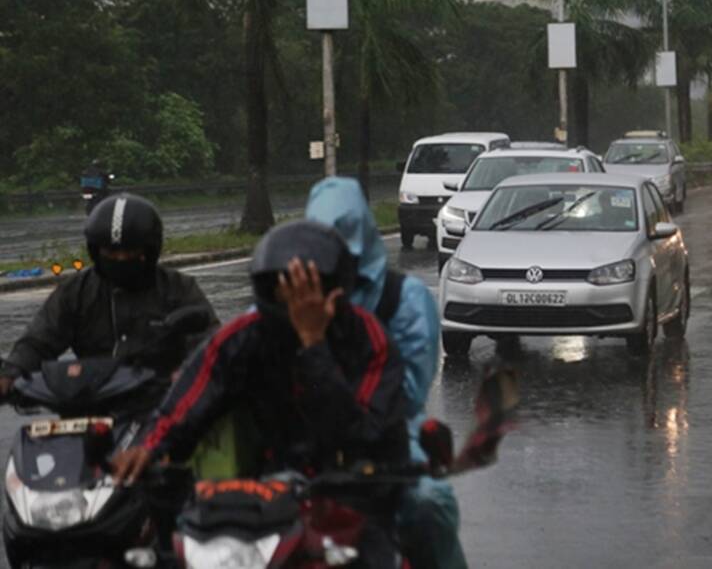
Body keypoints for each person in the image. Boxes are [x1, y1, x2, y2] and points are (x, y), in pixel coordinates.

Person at [111, 220, 411, 564]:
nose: (296, 303)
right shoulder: (244, 337)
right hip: (272, 490)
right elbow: (190, 397)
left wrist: (313, 345)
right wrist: (149, 449)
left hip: (361, 489)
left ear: (334, 293)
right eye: (287, 291)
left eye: (306, 292)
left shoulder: (368, 340)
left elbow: (357, 434)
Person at [305, 177, 465, 569]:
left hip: (387, 435)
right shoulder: (291, 297)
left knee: (428, 503)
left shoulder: (402, 299)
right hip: (301, 434)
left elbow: (406, 395)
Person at [0, 194, 217, 395]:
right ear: (96, 251)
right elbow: (39, 340)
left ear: (149, 250)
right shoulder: (76, 291)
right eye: (111, 252)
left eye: (130, 251)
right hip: (91, 402)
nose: (121, 259)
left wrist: (191, 375)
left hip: (161, 408)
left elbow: (210, 343)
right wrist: (12, 373)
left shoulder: (178, 288)